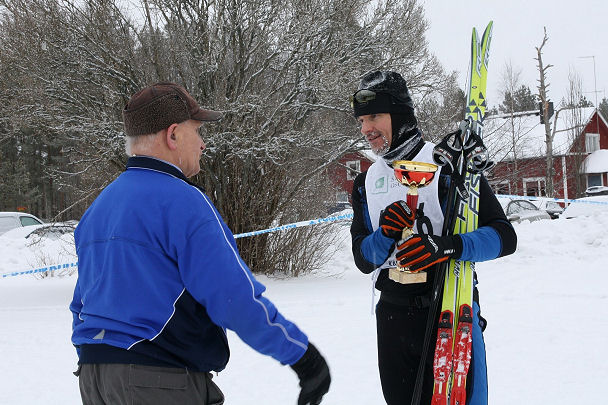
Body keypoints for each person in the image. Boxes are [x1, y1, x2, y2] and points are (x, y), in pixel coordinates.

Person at [69, 82, 331, 405]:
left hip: (95, 380)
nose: (204, 144)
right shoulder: (184, 203)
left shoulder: (99, 208)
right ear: (173, 135)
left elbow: (81, 306)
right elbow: (233, 299)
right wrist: (303, 357)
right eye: (197, 131)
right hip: (158, 381)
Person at [349, 71, 517, 405]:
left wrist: (448, 246)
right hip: (394, 316)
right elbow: (363, 258)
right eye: (363, 119)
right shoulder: (366, 182)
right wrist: (386, 233)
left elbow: (503, 236)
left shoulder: (448, 165)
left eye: (376, 116)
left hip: (448, 307)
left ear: (399, 115)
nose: (367, 128)